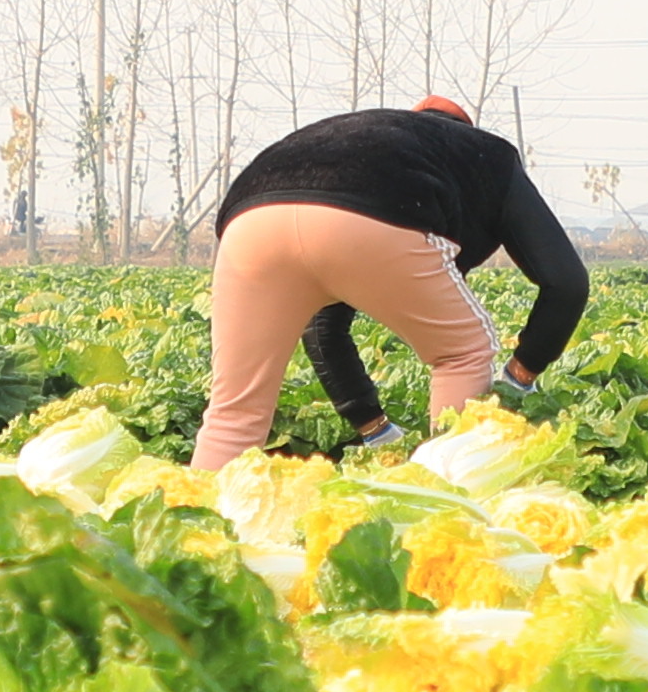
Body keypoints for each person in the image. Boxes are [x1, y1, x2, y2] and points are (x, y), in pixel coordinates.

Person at [193, 96, 592, 473]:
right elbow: (567, 282)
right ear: (464, 130)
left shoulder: (364, 138)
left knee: (234, 414)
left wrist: (375, 428)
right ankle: (449, 507)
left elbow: (322, 327)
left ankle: (187, 533)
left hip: (248, 221)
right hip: (365, 217)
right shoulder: (486, 154)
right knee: (463, 354)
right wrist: (517, 381)